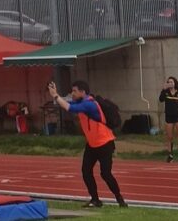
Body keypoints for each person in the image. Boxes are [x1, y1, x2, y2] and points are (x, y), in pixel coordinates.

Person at [48, 80, 126, 208]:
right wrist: (55, 95)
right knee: (86, 171)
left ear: (83, 92)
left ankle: (119, 198)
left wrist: (56, 96)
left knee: (105, 173)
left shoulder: (89, 104)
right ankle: (95, 200)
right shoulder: (80, 101)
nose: (72, 93)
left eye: (74, 91)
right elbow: (66, 102)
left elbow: (69, 108)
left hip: (105, 143)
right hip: (92, 144)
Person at [160, 76, 178, 163]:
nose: (170, 83)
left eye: (171, 82)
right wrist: (163, 90)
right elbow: (161, 99)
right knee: (169, 137)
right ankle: (170, 155)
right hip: (169, 117)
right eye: (168, 82)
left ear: (175, 83)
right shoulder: (166, 92)